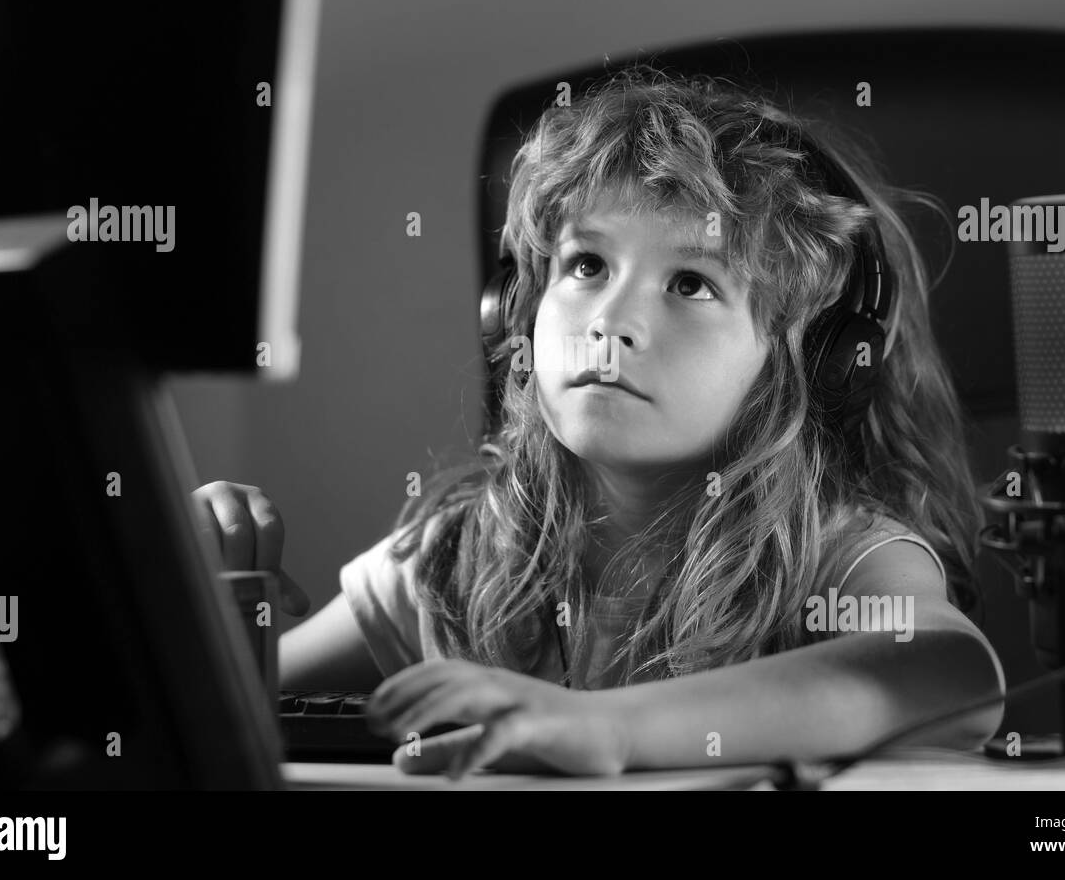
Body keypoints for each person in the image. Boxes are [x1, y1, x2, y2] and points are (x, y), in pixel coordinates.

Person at [193, 65, 1005, 780]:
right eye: (586, 265)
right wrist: (219, 594)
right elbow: (218, 698)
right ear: (515, 311)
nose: (609, 323)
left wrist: (605, 728)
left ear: (814, 361)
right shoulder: (457, 558)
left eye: (690, 283)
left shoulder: (832, 555)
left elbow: (950, 674)